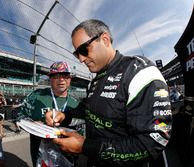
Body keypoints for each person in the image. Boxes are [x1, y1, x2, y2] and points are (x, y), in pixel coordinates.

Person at [46, 19, 172, 167]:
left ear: (105, 40)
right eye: (76, 54)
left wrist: (86, 147)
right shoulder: (97, 79)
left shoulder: (140, 72)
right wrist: (64, 116)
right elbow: (88, 109)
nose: (81, 59)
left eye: (83, 50)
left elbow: (153, 142)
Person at [19, 61, 83, 166]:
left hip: (69, 159)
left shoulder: (76, 104)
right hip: (40, 158)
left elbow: (81, 133)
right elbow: (19, 116)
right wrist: (34, 125)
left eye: (65, 76)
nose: (61, 79)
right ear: (50, 79)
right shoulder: (36, 96)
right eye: (56, 76)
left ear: (70, 79)